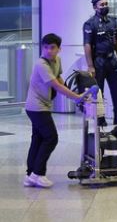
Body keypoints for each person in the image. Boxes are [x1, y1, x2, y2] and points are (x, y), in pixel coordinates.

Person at [24, 34, 83, 188]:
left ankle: (30, 175)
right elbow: (55, 85)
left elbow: (59, 79)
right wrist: (76, 97)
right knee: (51, 138)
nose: (49, 51)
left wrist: (72, 93)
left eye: (52, 47)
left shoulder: (57, 60)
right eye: (46, 47)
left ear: (59, 49)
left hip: (43, 106)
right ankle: (38, 173)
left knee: (37, 139)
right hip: (36, 107)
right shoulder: (41, 64)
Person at [83, 0, 117, 125]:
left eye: (106, 4)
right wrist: (90, 65)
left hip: (112, 60)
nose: (105, 6)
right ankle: (100, 118)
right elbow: (87, 45)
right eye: (102, 5)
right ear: (95, 7)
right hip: (98, 62)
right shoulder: (90, 24)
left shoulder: (112, 21)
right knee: (98, 91)